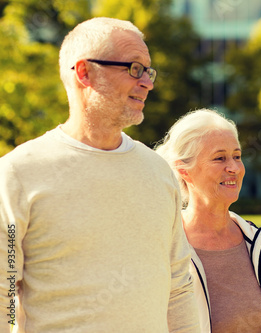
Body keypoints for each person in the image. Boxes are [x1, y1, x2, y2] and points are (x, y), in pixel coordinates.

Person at [0, 17, 199, 332]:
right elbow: (4, 291)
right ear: (84, 73)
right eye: (134, 68)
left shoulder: (158, 172)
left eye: (148, 71)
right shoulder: (18, 173)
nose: (147, 81)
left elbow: (179, 285)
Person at [155, 109, 261, 333]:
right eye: (220, 158)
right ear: (184, 171)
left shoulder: (256, 240)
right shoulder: (166, 245)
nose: (234, 168)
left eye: (237, 156)